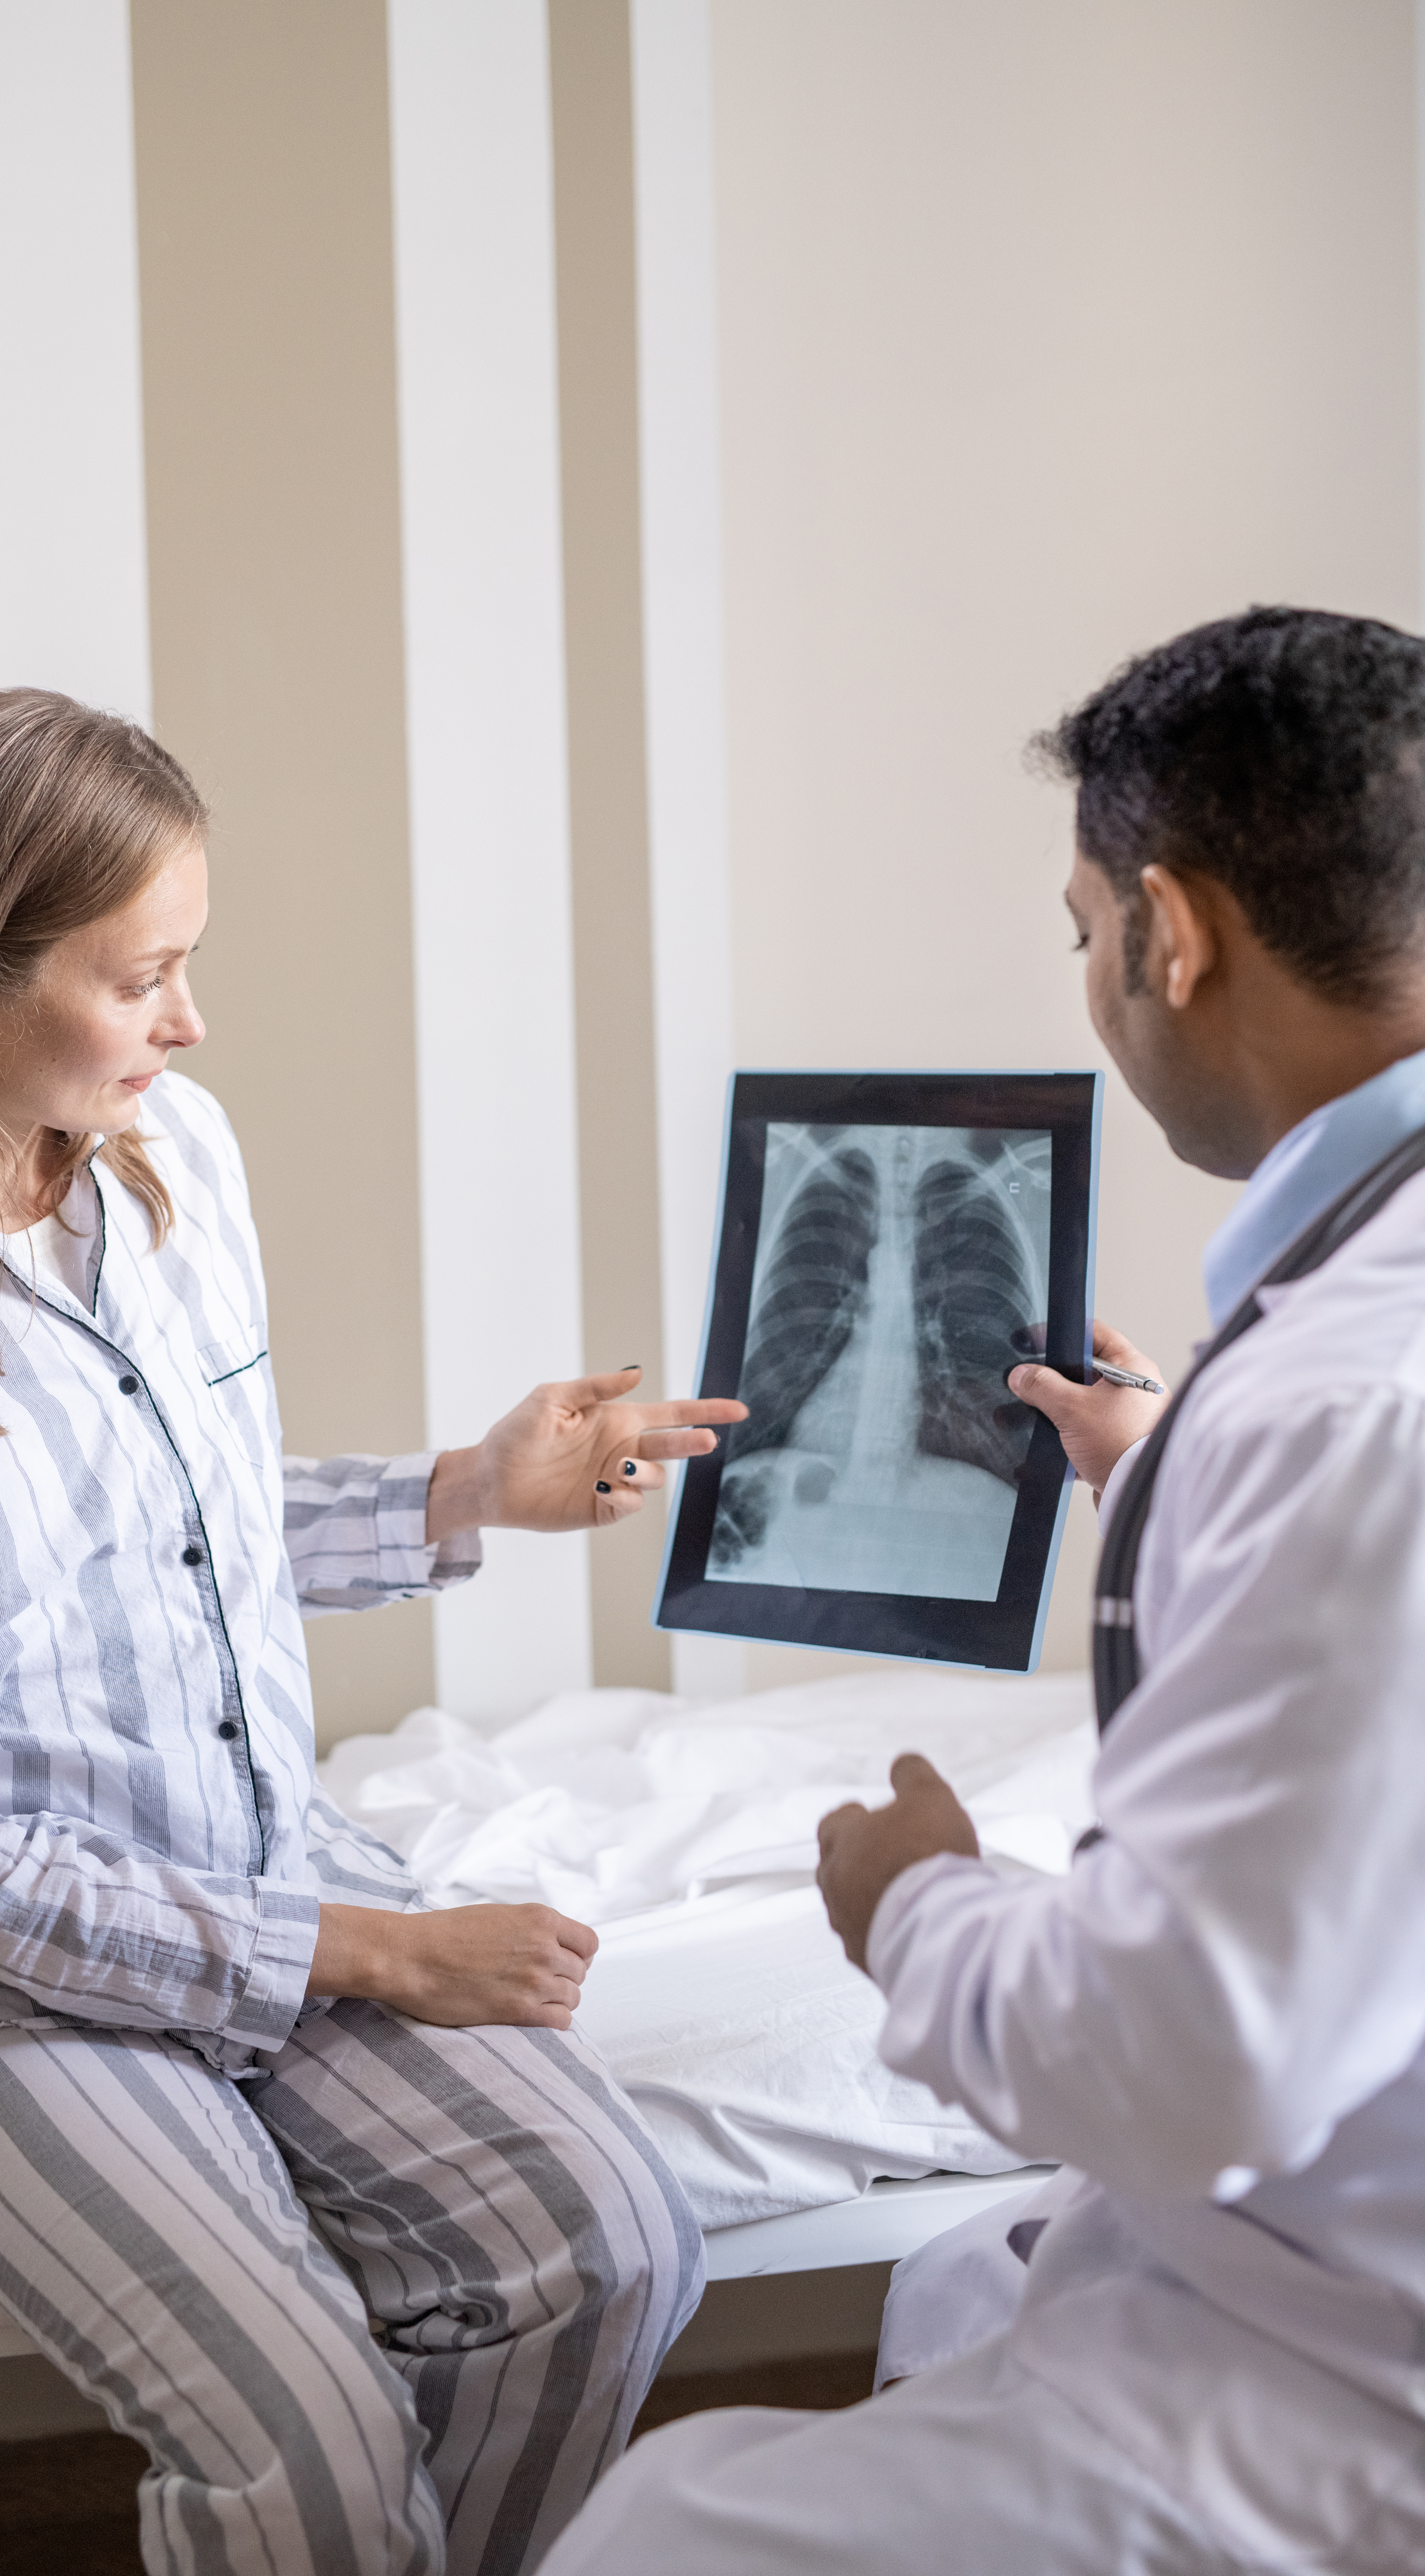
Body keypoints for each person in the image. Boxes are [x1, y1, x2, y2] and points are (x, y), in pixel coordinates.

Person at [0, 690, 745, 2576]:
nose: (191, 1023)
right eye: (143, 976)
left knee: (613, 2248)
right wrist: (375, 1954)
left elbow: (175, 1532)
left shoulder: (173, 1161)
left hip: (254, 1844)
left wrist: (459, 1496)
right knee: (316, 2441)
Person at [536, 605, 1425, 2576]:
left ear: (1170, 937)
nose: (1096, 977)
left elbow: (1207, 2064)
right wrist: (1187, 1464)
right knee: (957, 2287)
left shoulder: (1349, 1406)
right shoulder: (1345, 1366)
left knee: (650, 2534)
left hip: (1354, 2389)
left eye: (1085, 927)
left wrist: (913, 1905)